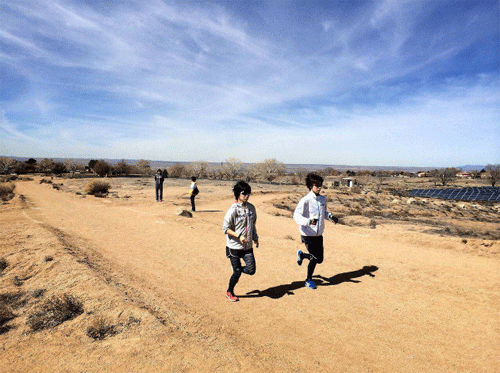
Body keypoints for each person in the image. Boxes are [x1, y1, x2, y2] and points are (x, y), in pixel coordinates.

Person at [293, 173, 338, 289]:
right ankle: (308, 280)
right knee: (314, 258)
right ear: (310, 185)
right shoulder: (305, 200)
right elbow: (296, 216)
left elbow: (324, 213)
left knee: (320, 259)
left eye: (320, 185)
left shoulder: (322, 199)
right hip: (308, 234)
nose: (319, 188)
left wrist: (331, 217)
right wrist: (308, 222)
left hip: (319, 234)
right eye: (316, 185)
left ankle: (302, 255)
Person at [222, 181, 259, 302]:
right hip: (234, 247)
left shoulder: (251, 208)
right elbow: (225, 229)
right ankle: (229, 291)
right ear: (238, 194)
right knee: (237, 271)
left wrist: (255, 237)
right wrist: (239, 236)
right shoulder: (233, 210)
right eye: (244, 194)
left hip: (247, 247)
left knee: (251, 270)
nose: (246, 196)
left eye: (248, 194)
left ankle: (237, 272)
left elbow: (252, 225)